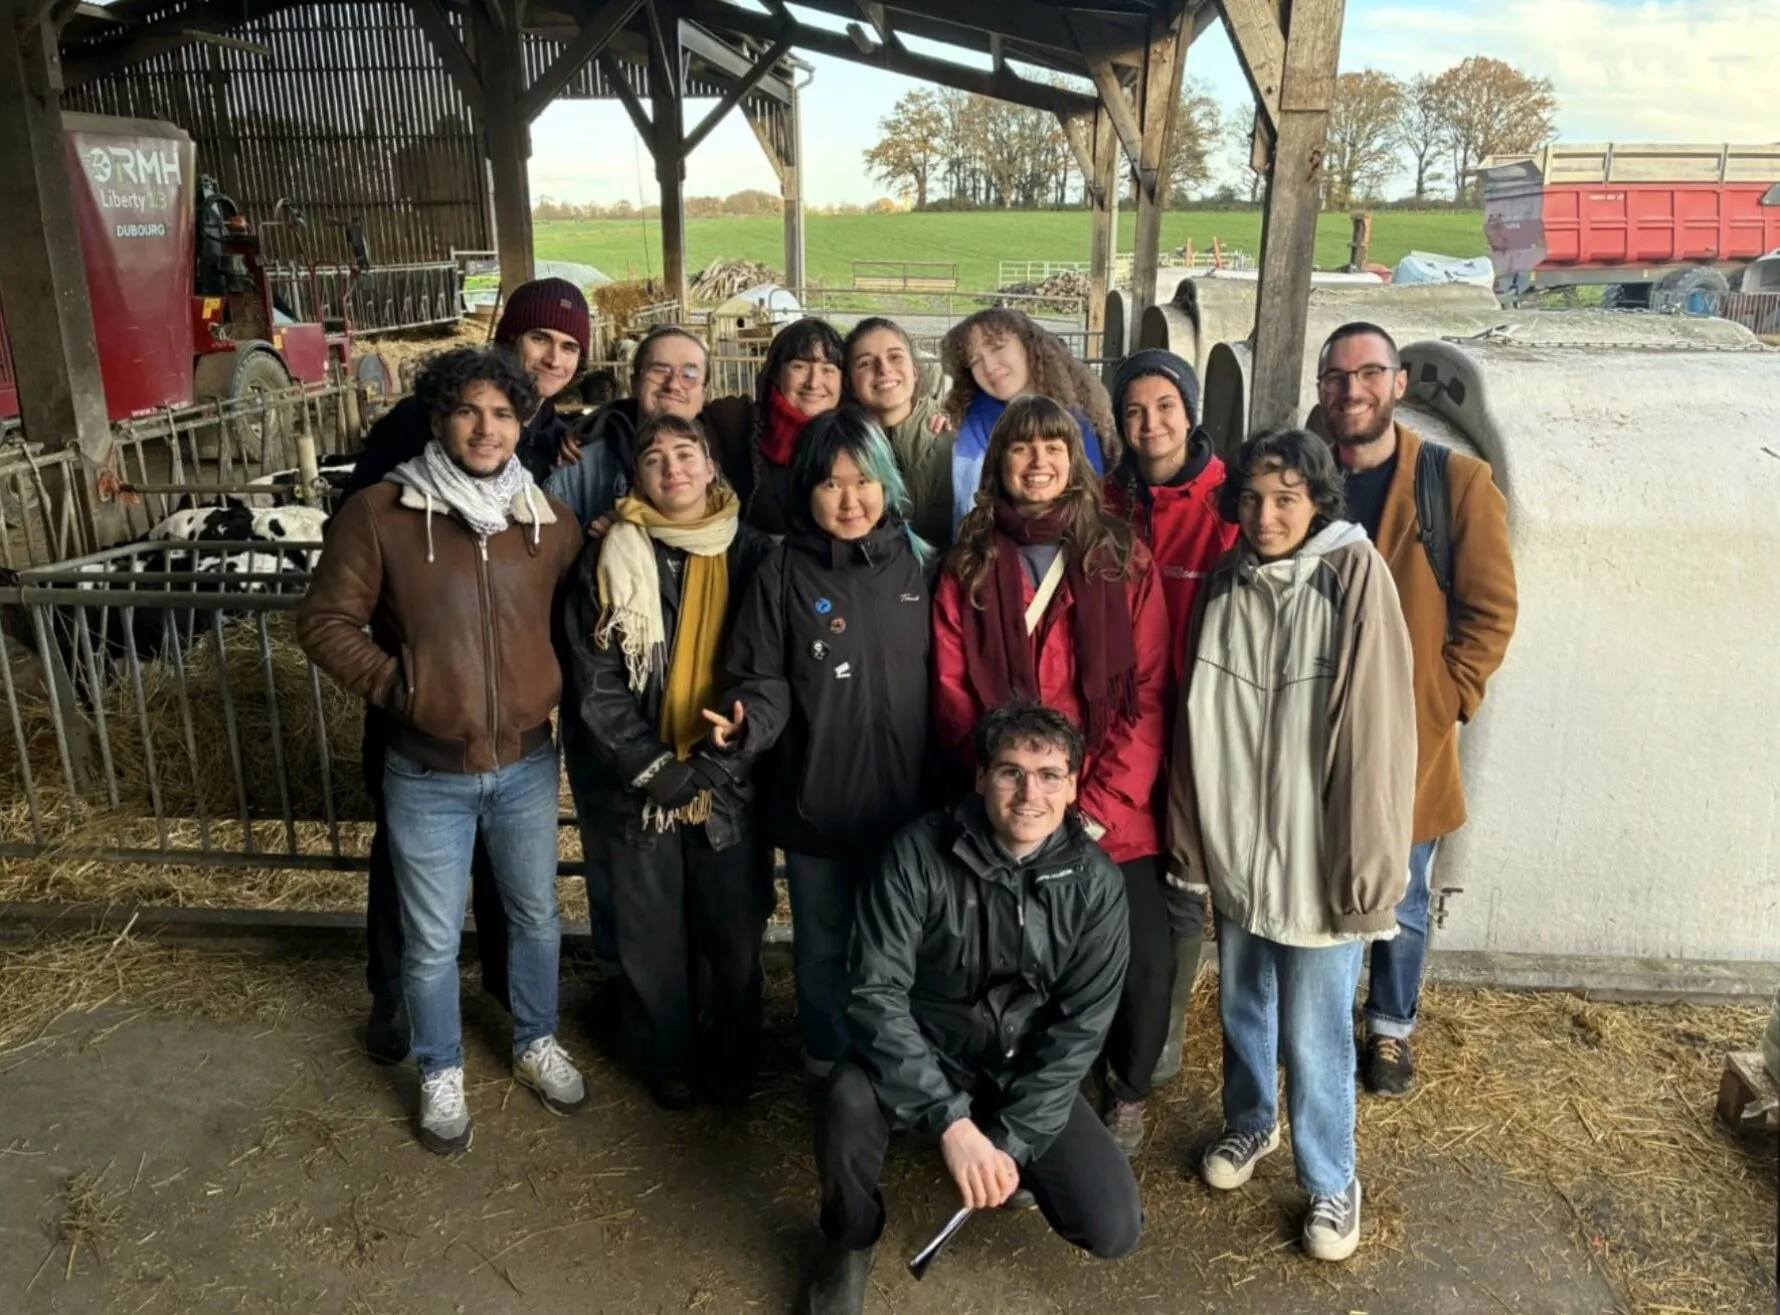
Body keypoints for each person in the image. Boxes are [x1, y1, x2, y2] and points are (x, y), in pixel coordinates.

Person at [297, 347, 589, 1154]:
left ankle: (535, 1038)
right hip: (426, 767)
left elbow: (574, 620)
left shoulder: (548, 521)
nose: (486, 428)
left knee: (536, 915)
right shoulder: (382, 513)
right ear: (438, 420)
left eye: (502, 413)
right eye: (467, 410)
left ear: (522, 424)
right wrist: (399, 688)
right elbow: (323, 621)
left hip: (527, 761)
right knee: (430, 937)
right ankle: (440, 1066)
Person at [799, 702, 1140, 1315]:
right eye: (1011, 772)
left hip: (1020, 1064)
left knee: (1113, 1228)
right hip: (927, 1047)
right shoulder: (916, 854)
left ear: (1072, 786)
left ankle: (1006, 1157)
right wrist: (950, 1122)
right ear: (981, 777)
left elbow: (1079, 1031)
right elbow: (874, 993)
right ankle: (848, 1239)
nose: (1029, 794)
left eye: (1049, 775)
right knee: (846, 1096)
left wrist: (1011, 1140)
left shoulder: (1097, 884)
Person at [1168, 427, 1415, 1261]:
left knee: (1316, 1025)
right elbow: (1196, 715)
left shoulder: (1353, 575)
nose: (1265, 515)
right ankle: (1250, 1121)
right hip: (1241, 839)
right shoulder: (1226, 581)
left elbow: (1377, 734)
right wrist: (1194, 836)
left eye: (1286, 499)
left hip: (1317, 851)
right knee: (1242, 1000)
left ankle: (1331, 1177)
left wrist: (1366, 864)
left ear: (1318, 502)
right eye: (1252, 498)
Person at [932, 394, 1169, 1157]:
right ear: (998, 462)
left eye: (1053, 448)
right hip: (1009, 801)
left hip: (1105, 805)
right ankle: (1015, 1089)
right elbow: (953, 690)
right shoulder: (969, 563)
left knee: (1141, 955)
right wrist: (1013, 796)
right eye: (1021, 448)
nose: (1037, 462)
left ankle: (1126, 1088)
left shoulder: (1120, 557)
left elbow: (1145, 692)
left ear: (1076, 461)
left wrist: (1089, 808)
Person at [1314, 322, 1518, 1098]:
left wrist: (1445, 698)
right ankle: (1323, 1013)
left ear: (1399, 384)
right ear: (1321, 390)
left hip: (1411, 729)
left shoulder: (1452, 481)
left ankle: (1391, 1025)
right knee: (1325, 870)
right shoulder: (1307, 477)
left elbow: (1491, 610)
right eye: (1337, 377)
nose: (1353, 390)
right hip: (1319, 719)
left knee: (1403, 888)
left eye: (1370, 373)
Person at [707, 408, 935, 1080]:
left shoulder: (920, 565)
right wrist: (748, 723)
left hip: (909, 805)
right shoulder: (781, 572)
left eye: (864, 481)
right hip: (817, 802)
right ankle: (829, 1064)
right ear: (806, 489)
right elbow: (761, 677)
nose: (850, 499)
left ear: (887, 483)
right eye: (831, 484)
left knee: (902, 942)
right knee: (824, 944)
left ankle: (899, 1069)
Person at [561, 414, 773, 1109]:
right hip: (641, 787)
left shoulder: (755, 553)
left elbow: (769, 668)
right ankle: (668, 1060)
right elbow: (595, 678)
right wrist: (652, 766)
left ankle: (735, 1057)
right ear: (638, 477)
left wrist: (724, 759)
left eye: (686, 454)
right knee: (651, 935)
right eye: (654, 458)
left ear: (711, 466)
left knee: (733, 930)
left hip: (728, 781)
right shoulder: (608, 557)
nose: (672, 468)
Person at [549, 323, 713, 986]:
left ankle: (692, 992)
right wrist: (595, 550)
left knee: (699, 868)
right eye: (658, 370)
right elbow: (548, 562)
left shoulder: (714, 459)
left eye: (690, 372)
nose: (674, 383)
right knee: (616, 861)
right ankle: (625, 986)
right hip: (608, 698)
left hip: (696, 708)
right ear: (634, 378)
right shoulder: (583, 461)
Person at [1101, 348, 1239, 1092]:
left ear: (1190, 413)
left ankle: (1160, 1041)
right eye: (1133, 410)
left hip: (1194, 730)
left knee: (1183, 887)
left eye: (1164, 407)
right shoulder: (1105, 501)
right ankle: (1103, 1029)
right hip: (1119, 728)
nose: (1150, 424)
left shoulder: (1227, 506)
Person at [937, 308, 1118, 534]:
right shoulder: (968, 424)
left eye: (997, 347)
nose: (989, 367)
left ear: (1028, 344)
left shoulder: (1084, 418)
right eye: (974, 360)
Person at [701, 317, 846, 536]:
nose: (813, 382)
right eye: (799, 366)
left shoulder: (858, 438)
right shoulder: (733, 422)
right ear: (776, 372)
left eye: (828, 369)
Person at [841, 317, 951, 548]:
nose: (883, 369)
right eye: (865, 363)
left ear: (915, 371)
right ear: (850, 383)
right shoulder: (840, 447)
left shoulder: (956, 439)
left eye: (895, 356)